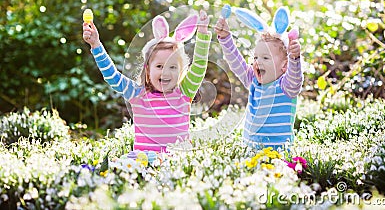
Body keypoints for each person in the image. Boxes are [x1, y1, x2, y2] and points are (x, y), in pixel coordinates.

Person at [83, 10, 212, 152]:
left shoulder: (184, 93)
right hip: (143, 162)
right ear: (147, 69)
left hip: (176, 164)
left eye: (173, 67)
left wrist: (203, 34)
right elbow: (112, 76)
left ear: (181, 71)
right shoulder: (138, 94)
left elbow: (199, 67)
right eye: (159, 66)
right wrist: (96, 45)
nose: (166, 72)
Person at [214, 9, 303, 151]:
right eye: (255, 57)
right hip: (250, 152)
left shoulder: (286, 86)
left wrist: (294, 58)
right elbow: (236, 63)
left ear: (284, 65)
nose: (258, 62)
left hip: (278, 154)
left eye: (265, 58)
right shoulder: (253, 81)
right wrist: (225, 38)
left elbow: (295, 76)